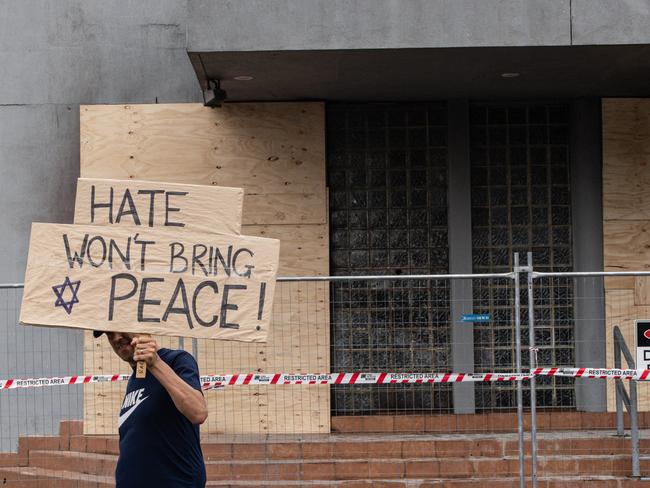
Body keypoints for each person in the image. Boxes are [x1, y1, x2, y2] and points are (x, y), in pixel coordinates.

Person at [94, 330, 208, 488]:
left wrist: (156, 364)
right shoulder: (135, 379)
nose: (117, 338)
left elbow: (198, 412)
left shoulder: (177, 360)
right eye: (109, 334)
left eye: (121, 328)